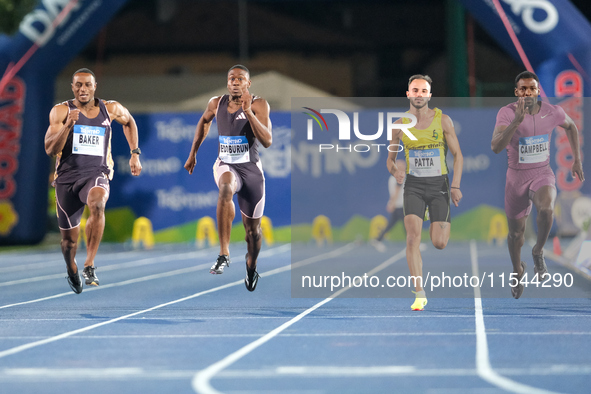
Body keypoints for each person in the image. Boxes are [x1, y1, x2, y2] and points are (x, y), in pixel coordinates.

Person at [45, 68, 142, 294]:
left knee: (97, 203)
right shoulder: (60, 111)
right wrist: (69, 125)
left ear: (94, 86)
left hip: (97, 173)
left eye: (87, 84)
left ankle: (89, 263)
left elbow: (129, 122)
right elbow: (51, 149)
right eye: (78, 85)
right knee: (68, 243)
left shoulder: (110, 109)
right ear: (72, 88)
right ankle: (72, 268)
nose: (83, 89)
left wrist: (135, 153)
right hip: (67, 180)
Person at [492, 71, 584, 299]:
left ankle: (538, 251)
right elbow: (495, 147)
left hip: (542, 174)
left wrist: (577, 159)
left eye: (532, 88)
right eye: (523, 89)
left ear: (538, 90)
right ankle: (517, 270)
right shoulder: (507, 113)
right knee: (515, 235)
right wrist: (516, 122)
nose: (528, 93)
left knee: (546, 209)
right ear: (516, 92)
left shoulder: (553, 112)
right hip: (516, 179)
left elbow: (571, 126)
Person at [184, 65, 272, 292]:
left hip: (251, 171)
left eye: (240, 79)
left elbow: (267, 140)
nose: (235, 82)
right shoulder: (216, 103)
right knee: (225, 189)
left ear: (248, 84)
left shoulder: (259, 104)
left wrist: (249, 112)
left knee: (252, 232)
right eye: (231, 78)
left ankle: (251, 265)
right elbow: (204, 121)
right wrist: (193, 152)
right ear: (227, 82)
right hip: (226, 165)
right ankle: (224, 253)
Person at [386, 74, 463, 310]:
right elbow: (390, 160)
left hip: (439, 185)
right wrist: (395, 172)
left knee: (439, 243)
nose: (419, 95)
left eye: (423, 91)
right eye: (415, 90)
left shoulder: (443, 121)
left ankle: (432, 215)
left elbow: (458, 156)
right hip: (414, 186)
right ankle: (419, 293)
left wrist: (455, 185)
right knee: (412, 238)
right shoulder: (399, 125)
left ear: (429, 95)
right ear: (408, 94)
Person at [371, 159, 406, 253]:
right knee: (407, 225)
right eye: (401, 165)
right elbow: (396, 192)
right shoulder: (399, 177)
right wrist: (392, 203)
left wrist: (391, 203)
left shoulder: (393, 177)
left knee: (392, 225)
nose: (404, 166)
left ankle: (377, 240)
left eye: (403, 165)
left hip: (399, 205)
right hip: (400, 205)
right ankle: (413, 244)